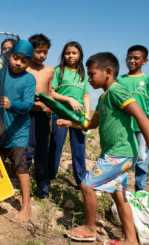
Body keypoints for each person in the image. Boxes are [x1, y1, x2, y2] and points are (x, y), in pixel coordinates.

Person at [58, 52, 149, 245]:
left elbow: (141, 116)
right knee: (119, 194)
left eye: (91, 74)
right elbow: (92, 124)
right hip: (116, 153)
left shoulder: (117, 91)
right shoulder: (103, 98)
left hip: (120, 154)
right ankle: (130, 240)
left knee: (87, 184)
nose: (88, 79)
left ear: (107, 72)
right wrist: (70, 123)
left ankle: (90, 229)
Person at [0, 40, 36, 223]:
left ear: (29, 63)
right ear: (9, 56)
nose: (18, 63)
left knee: (20, 166)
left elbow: (28, 105)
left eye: (24, 60)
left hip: (18, 131)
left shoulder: (29, 79)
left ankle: (26, 206)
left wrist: (11, 104)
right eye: (15, 58)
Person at [48, 41, 90, 191]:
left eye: (74, 53)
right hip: (60, 112)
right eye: (68, 53)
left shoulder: (83, 74)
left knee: (79, 148)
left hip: (78, 116)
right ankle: (49, 176)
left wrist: (88, 115)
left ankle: (81, 181)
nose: (70, 55)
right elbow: (51, 92)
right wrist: (69, 99)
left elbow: (85, 96)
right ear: (63, 55)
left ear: (80, 55)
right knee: (55, 146)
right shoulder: (59, 70)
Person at [26, 34, 54, 198]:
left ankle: (42, 187)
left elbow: (51, 93)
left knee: (42, 151)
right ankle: (22, 182)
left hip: (43, 115)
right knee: (27, 150)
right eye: (38, 52)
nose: (42, 55)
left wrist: (67, 101)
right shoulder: (25, 69)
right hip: (27, 114)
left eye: (45, 52)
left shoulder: (50, 70)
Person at [117, 45, 148, 192]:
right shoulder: (120, 80)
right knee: (124, 159)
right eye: (129, 57)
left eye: (136, 58)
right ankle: (122, 191)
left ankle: (140, 192)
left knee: (142, 158)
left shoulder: (146, 79)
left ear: (144, 61)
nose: (132, 60)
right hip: (124, 127)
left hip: (141, 127)